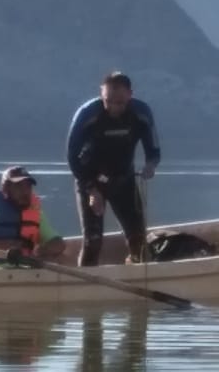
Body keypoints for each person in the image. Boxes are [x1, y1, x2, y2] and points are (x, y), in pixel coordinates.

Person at [66, 71, 160, 266]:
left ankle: (137, 275)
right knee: (93, 242)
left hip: (124, 181)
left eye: (120, 103)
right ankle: (86, 284)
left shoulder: (141, 113)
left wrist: (150, 166)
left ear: (130, 95)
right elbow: (72, 157)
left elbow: (154, 150)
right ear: (102, 94)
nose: (113, 108)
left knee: (138, 239)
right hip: (90, 180)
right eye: (108, 101)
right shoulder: (88, 114)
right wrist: (91, 189)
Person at [0, 166, 66, 267]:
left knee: (61, 259)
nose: (25, 192)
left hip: (22, 272)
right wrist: (7, 246)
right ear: (6, 189)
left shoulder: (35, 213)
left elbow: (58, 243)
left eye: (28, 186)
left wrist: (41, 251)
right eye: (19, 186)